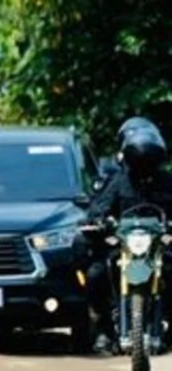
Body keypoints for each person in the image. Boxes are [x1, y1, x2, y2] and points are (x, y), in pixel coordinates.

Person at [85, 123, 172, 353]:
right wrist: (99, 221)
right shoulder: (117, 182)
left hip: (161, 246)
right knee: (97, 273)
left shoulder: (167, 182)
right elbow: (98, 208)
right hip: (124, 247)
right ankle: (104, 329)